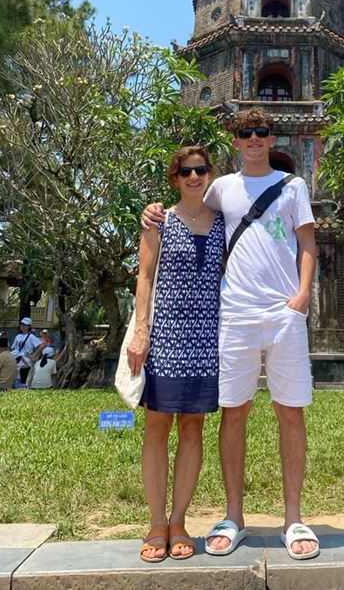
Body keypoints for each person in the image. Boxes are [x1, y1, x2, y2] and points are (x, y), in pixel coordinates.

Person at [142, 108, 319, 560]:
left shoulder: (293, 186)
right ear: (236, 141)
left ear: (270, 137)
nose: (255, 138)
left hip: (284, 315)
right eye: (246, 132)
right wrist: (153, 211)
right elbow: (189, 211)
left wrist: (302, 296)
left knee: (290, 412)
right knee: (232, 412)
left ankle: (294, 517)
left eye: (261, 131)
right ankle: (233, 514)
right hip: (234, 314)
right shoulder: (222, 188)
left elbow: (307, 244)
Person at [129, 146, 224, 563]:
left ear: (209, 174)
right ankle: (155, 523)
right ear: (175, 178)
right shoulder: (159, 221)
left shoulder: (223, 222)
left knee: (192, 429)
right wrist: (140, 331)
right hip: (165, 336)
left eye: (201, 170)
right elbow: (144, 278)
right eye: (185, 171)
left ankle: (180, 520)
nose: (194, 177)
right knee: (156, 427)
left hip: (205, 339)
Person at [11, 317, 41, 385]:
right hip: (16, 359)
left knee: (22, 379)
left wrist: (34, 355)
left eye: (25, 325)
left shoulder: (31, 336)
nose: (23, 326)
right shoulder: (18, 336)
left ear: (29, 326)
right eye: (22, 324)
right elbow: (13, 347)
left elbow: (41, 345)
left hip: (25, 360)